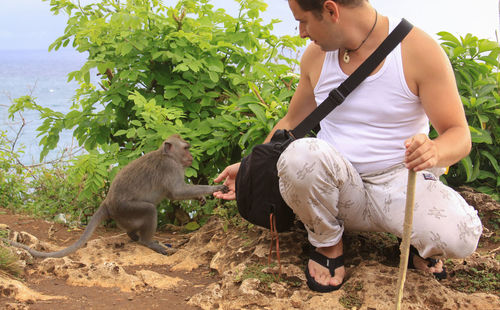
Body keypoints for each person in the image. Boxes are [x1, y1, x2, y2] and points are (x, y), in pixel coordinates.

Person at [214, 0, 483, 292]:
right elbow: (292, 121)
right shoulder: (316, 58)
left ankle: (417, 241)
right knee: (299, 154)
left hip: (399, 184)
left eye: (303, 21)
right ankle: (327, 243)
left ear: (331, 10)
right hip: (338, 189)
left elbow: (458, 134)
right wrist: (248, 169)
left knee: (461, 236)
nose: (301, 33)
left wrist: (434, 149)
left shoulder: (417, 50)